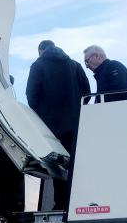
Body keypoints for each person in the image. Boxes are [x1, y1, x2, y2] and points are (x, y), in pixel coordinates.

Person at [26, 40, 91, 211]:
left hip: (50, 126)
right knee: (75, 163)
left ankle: (61, 204)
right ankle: (77, 201)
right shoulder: (74, 65)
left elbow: (31, 94)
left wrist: (40, 114)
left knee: (57, 164)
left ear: (41, 51)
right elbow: (87, 92)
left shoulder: (38, 65)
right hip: (75, 123)